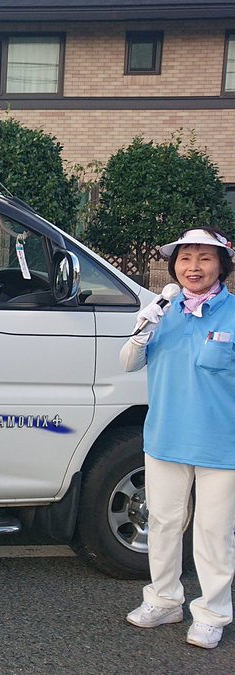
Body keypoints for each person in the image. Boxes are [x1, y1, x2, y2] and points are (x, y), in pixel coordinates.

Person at [120, 227, 235, 650]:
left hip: (222, 445)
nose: (193, 267)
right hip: (165, 437)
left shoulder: (233, 314)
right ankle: (164, 600)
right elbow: (128, 362)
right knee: (164, 523)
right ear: (174, 267)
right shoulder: (163, 310)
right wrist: (144, 326)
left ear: (222, 265)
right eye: (185, 258)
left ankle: (212, 614)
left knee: (214, 533)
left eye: (205, 258)